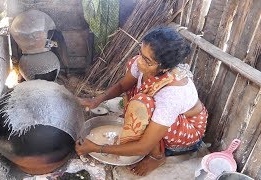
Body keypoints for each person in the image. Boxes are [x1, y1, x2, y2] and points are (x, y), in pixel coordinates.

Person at [75, 27, 208, 176]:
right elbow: (121, 86)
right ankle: (144, 131)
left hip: (186, 130)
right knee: (137, 96)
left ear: (164, 68)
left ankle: (157, 156)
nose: (140, 61)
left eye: (147, 60)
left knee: (143, 103)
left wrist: (96, 148)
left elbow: (143, 147)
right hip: (166, 117)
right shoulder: (141, 64)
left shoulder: (172, 94)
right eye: (141, 53)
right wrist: (97, 100)